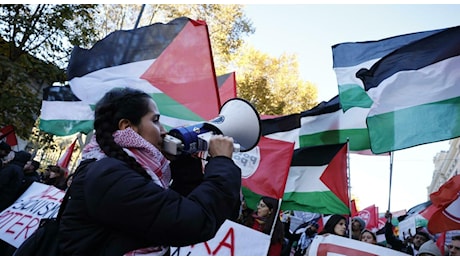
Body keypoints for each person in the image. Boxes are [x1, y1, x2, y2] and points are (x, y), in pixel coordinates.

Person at [58, 87, 241, 255]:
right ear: (127, 127)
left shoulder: (124, 170)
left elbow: (175, 207)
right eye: (155, 120)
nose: (163, 131)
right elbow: (192, 221)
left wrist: (183, 163)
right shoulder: (110, 176)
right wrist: (222, 162)